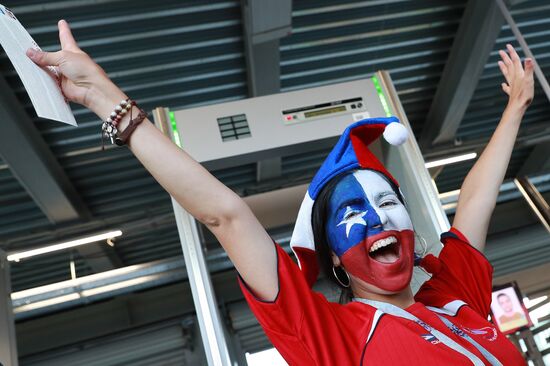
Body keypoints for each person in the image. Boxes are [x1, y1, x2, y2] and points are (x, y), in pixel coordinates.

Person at [26, 20, 534, 365]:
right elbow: (226, 216)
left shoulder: (455, 297)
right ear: (334, 257)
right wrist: (108, 101)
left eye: (386, 204)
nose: (378, 219)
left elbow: (474, 201)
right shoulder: (333, 337)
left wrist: (514, 109)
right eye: (355, 212)